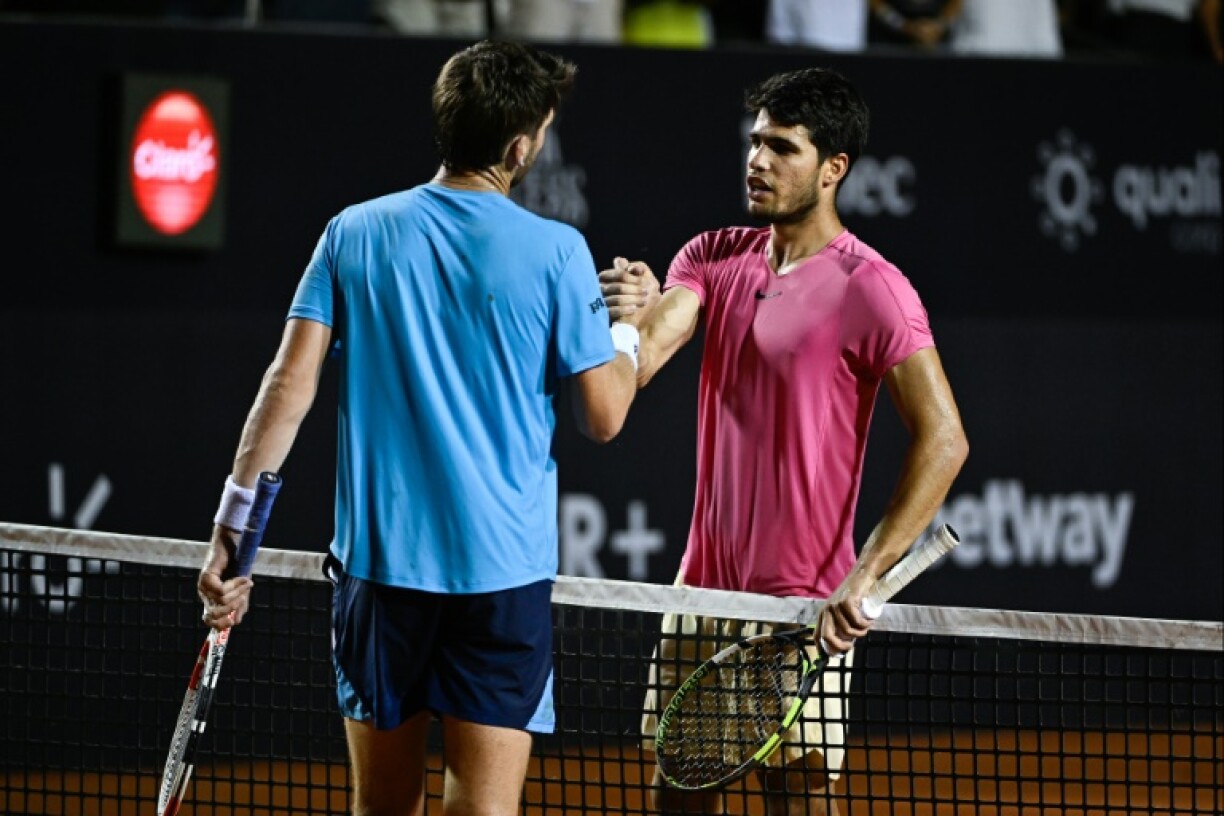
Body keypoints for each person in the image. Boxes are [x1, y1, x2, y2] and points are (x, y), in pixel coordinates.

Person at [196, 40, 645, 816]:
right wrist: (629, 331)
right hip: (501, 586)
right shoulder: (559, 252)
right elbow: (603, 415)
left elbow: (287, 388)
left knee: (383, 808)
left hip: (381, 580)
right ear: (520, 146)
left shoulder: (353, 233)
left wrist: (233, 538)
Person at [599, 67, 968, 814]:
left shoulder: (874, 288)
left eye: (782, 147)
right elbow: (639, 362)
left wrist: (864, 576)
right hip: (700, 595)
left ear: (834, 169)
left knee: (798, 807)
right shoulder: (710, 255)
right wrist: (626, 323)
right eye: (755, 142)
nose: (757, 160)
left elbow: (945, 439)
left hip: (803, 612)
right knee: (679, 803)